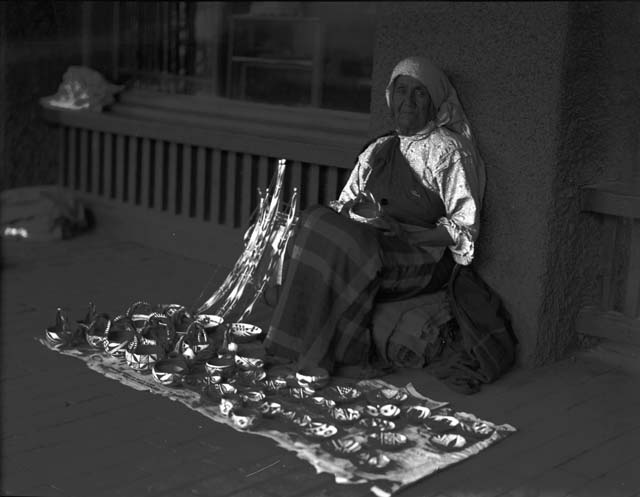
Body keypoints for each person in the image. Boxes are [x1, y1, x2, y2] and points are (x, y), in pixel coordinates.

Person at [263, 55, 487, 376]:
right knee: (313, 219)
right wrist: (359, 216)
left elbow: (464, 230)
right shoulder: (379, 148)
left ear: (435, 103)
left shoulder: (450, 151)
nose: (408, 102)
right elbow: (343, 205)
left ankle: (334, 354)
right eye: (401, 91)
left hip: (425, 255)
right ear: (390, 98)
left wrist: (407, 234)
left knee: (345, 244)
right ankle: (288, 343)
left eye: (419, 93)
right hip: (373, 241)